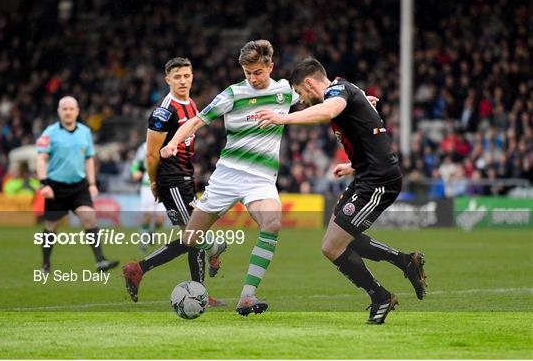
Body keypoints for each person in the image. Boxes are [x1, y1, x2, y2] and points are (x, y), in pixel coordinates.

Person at [158, 41, 379, 316]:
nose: (252, 78)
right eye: (248, 73)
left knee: (272, 223)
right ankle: (216, 247)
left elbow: (322, 99)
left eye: (258, 72)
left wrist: (359, 104)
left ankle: (247, 297)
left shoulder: (284, 91)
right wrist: (173, 144)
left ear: (270, 67)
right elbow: (196, 122)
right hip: (227, 176)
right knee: (190, 238)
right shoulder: (232, 94)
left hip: (260, 180)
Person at [257, 58, 427, 324]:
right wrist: (353, 165)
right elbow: (366, 131)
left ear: (310, 83)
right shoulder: (347, 89)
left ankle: (380, 295)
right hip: (366, 176)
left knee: (332, 246)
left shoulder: (337, 94)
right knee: (338, 240)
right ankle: (404, 262)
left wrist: (282, 118)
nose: (301, 100)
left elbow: (328, 111)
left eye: (300, 93)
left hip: (379, 181)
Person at [122, 58, 224, 307]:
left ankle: (196, 289)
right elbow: (151, 153)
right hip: (172, 181)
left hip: (186, 179)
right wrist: (155, 182)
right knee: (195, 235)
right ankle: (140, 268)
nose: (182, 80)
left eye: (186, 76)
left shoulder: (191, 104)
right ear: (167, 79)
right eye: (177, 76)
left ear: (192, 77)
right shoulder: (163, 112)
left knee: (192, 238)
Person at [36, 96, 118, 273]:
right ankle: (45, 264)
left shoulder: (85, 132)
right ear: (59, 111)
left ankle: (100, 261)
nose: (67, 111)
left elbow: (89, 159)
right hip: (55, 187)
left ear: (77, 111)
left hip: (78, 186)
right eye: (64, 108)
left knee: (89, 218)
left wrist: (92, 183)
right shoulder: (49, 132)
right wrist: (44, 184)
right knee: (51, 226)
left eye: (71, 108)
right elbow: (41, 158)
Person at [130, 142, 166, 253]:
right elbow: (136, 163)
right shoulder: (145, 146)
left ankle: (152, 231)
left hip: (165, 185)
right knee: (147, 215)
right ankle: (143, 241)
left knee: (160, 219)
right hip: (148, 184)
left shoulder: (171, 143)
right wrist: (135, 171)